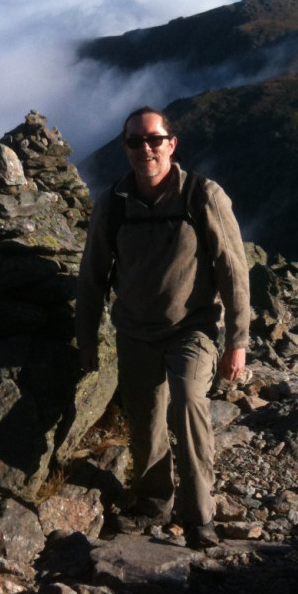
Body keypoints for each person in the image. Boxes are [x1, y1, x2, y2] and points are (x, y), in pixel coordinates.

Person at [75, 106, 250, 549]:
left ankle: (199, 515)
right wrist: (87, 339)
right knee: (145, 423)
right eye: (135, 141)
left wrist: (237, 342)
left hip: (192, 328)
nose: (145, 149)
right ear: (126, 147)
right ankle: (155, 502)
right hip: (134, 330)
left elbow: (233, 271)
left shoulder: (202, 196)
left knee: (188, 402)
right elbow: (92, 275)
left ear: (172, 144)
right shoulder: (112, 204)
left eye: (154, 140)